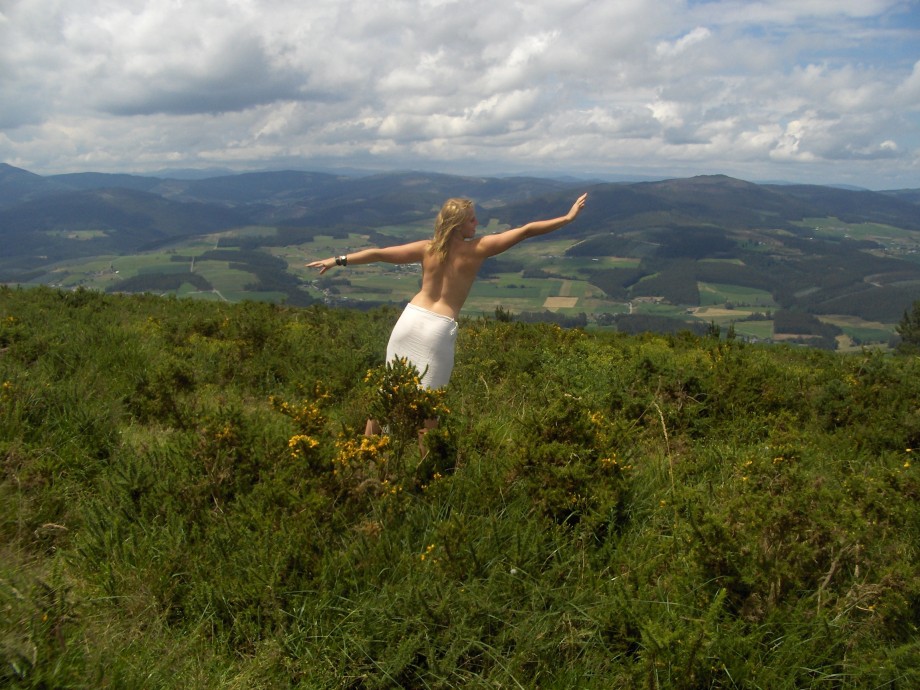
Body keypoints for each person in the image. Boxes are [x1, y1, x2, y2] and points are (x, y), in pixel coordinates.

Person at [308, 192, 588, 441]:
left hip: (408, 321)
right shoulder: (477, 249)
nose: (476, 225)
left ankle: (365, 458)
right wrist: (567, 217)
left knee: (388, 393)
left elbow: (380, 254)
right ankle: (426, 478)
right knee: (428, 406)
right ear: (458, 225)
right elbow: (526, 231)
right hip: (437, 329)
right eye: (472, 221)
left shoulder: (426, 248)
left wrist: (337, 260)